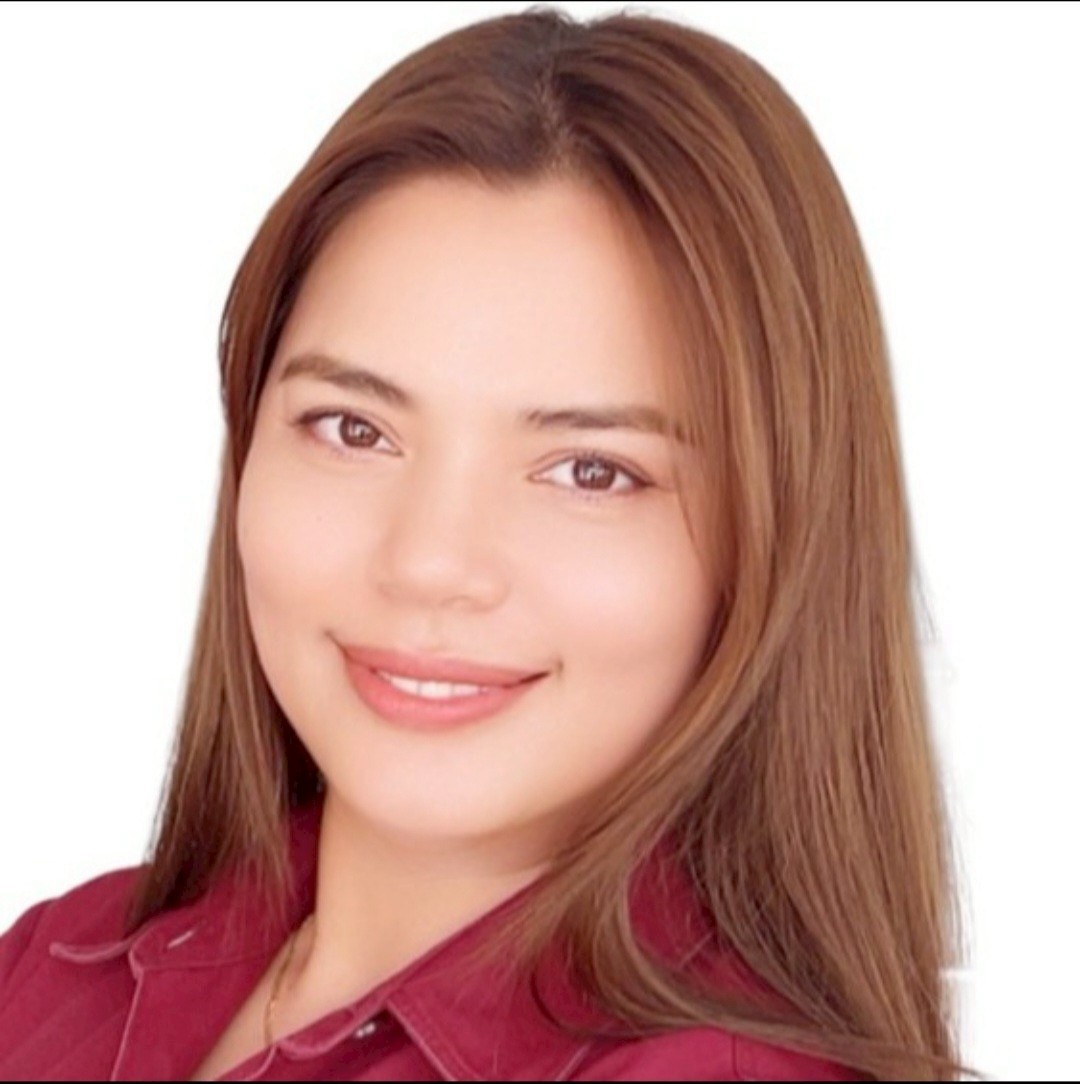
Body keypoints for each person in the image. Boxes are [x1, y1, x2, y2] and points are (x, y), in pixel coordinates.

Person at [0, 6, 975, 1080]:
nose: (429, 562)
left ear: (773, 540)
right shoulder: (54, 964)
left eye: (591, 470)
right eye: (353, 428)